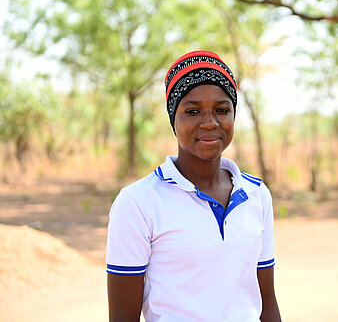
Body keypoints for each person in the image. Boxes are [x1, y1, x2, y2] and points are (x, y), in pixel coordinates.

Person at [105, 50, 281, 322]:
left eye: (222, 110)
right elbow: (122, 317)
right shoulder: (138, 203)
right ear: (173, 119)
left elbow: (266, 303)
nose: (209, 123)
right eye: (193, 111)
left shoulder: (257, 195)